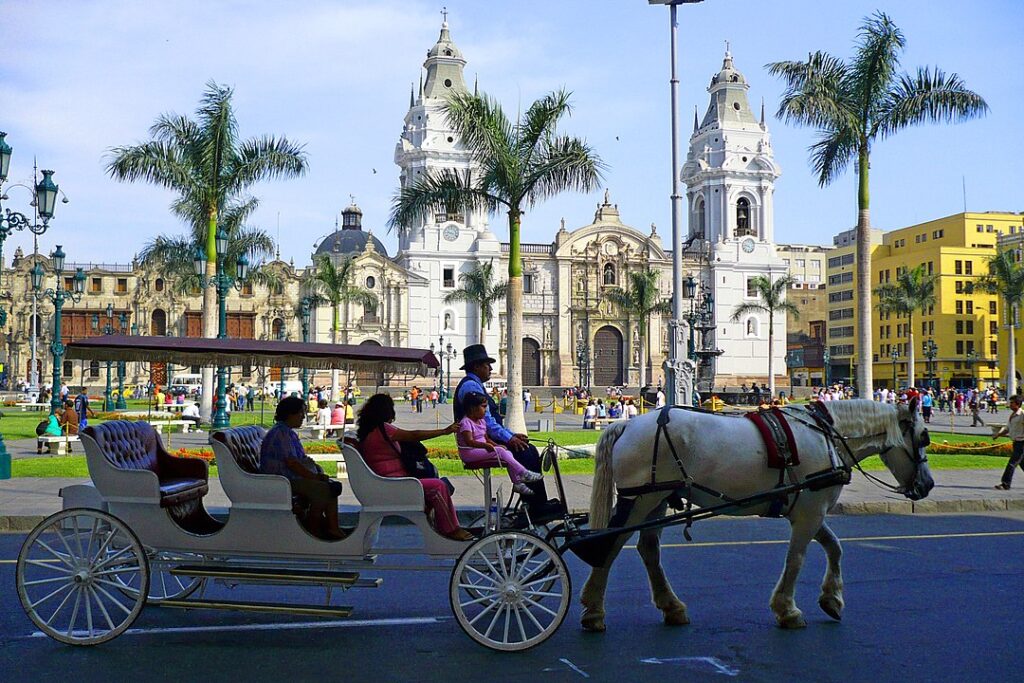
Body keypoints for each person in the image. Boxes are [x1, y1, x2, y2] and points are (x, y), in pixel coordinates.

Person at [453, 344, 553, 516]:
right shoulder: (472, 387)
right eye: (487, 365)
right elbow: (488, 422)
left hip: (483, 439)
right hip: (479, 443)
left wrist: (512, 435)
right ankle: (537, 506)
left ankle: (534, 501)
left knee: (527, 447)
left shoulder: (474, 385)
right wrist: (509, 439)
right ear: (477, 367)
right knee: (525, 451)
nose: (490, 369)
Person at [357, 393, 472, 541]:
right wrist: (444, 431)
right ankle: (451, 529)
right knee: (439, 486)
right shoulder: (383, 429)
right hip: (395, 484)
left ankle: (440, 524)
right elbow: (414, 435)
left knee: (440, 484)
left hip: (388, 481)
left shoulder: (370, 431)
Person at [260, 396, 347, 540]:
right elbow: (292, 463)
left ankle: (333, 527)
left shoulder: (287, 432)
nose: (303, 416)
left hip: (289, 478)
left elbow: (300, 460)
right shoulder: (281, 433)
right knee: (322, 490)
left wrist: (317, 472)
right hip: (282, 481)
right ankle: (313, 529)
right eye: (300, 413)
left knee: (331, 486)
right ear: (290, 413)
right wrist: (314, 477)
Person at [457, 392, 542, 496]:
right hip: (469, 452)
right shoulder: (466, 422)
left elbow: (486, 438)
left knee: (506, 451)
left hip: (481, 449)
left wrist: (495, 445)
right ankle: (523, 473)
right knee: (501, 452)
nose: (485, 410)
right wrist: (487, 446)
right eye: (483, 407)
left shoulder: (481, 421)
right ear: (472, 408)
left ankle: (517, 482)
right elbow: (469, 441)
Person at [993, 395, 1024, 490]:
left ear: (1017, 404)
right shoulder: (1013, 415)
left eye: (1012, 403)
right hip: (1016, 442)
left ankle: (1005, 483)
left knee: (1012, 463)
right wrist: (998, 434)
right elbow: (1008, 428)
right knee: (1022, 464)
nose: (1010, 405)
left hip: (1022, 443)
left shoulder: (1022, 415)